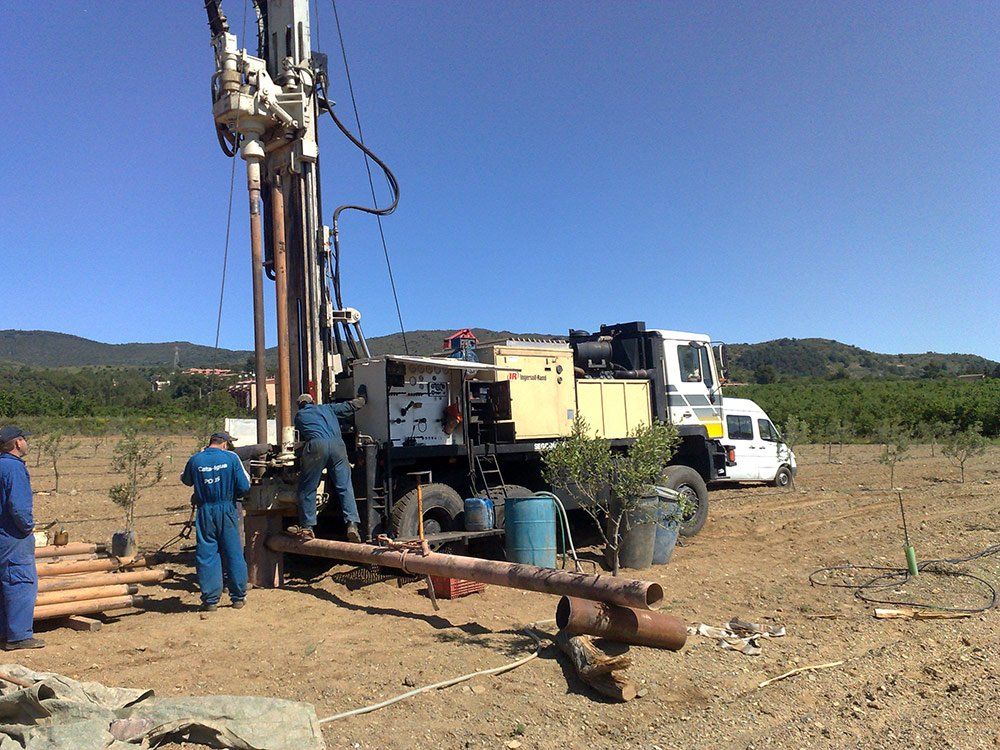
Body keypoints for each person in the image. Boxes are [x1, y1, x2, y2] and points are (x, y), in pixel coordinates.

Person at [181, 431, 250, 612]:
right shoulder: (232, 458)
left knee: (206, 553)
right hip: (226, 509)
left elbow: (186, 480)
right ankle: (238, 598)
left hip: (205, 511)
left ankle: (211, 601)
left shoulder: (195, 459)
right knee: (233, 552)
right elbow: (244, 485)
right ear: (225, 444)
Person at [291, 389, 367, 542]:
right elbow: (353, 405)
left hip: (316, 446)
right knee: (345, 486)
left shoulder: (299, 415)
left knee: (307, 488)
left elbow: (303, 434)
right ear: (313, 402)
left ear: (300, 405)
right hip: (338, 446)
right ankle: (352, 524)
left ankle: (307, 527)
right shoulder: (327, 408)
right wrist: (363, 396)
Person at [0, 426, 43, 650]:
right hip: (12, 536)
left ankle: (4, 632)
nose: (27, 443)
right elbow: (18, 507)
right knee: (20, 582)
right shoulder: (14, 469)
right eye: (25, 439)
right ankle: (18, 636)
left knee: (3, 583)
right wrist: (28, 528)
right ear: (17, 443)